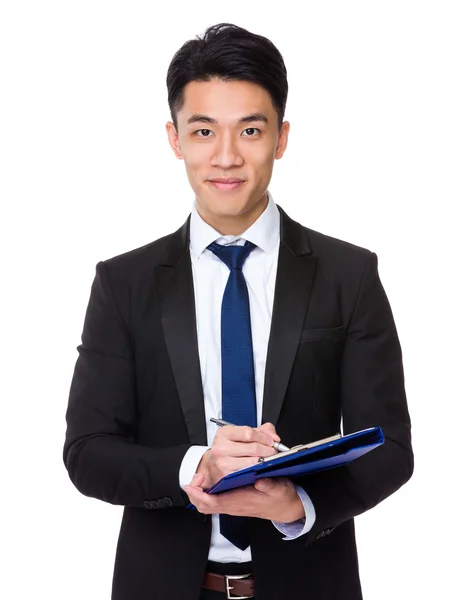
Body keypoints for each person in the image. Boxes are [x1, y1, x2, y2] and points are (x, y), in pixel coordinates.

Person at [63, 22, 413, 600]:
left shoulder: (348, 275)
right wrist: (195, 465)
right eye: (204, 131)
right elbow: (87, 453)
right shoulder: (122, 283)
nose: (226, 157)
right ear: (175, 139)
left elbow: (392, 449)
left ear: (281, 137)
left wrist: (298, 502)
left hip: (310, 585)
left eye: (250, 130)